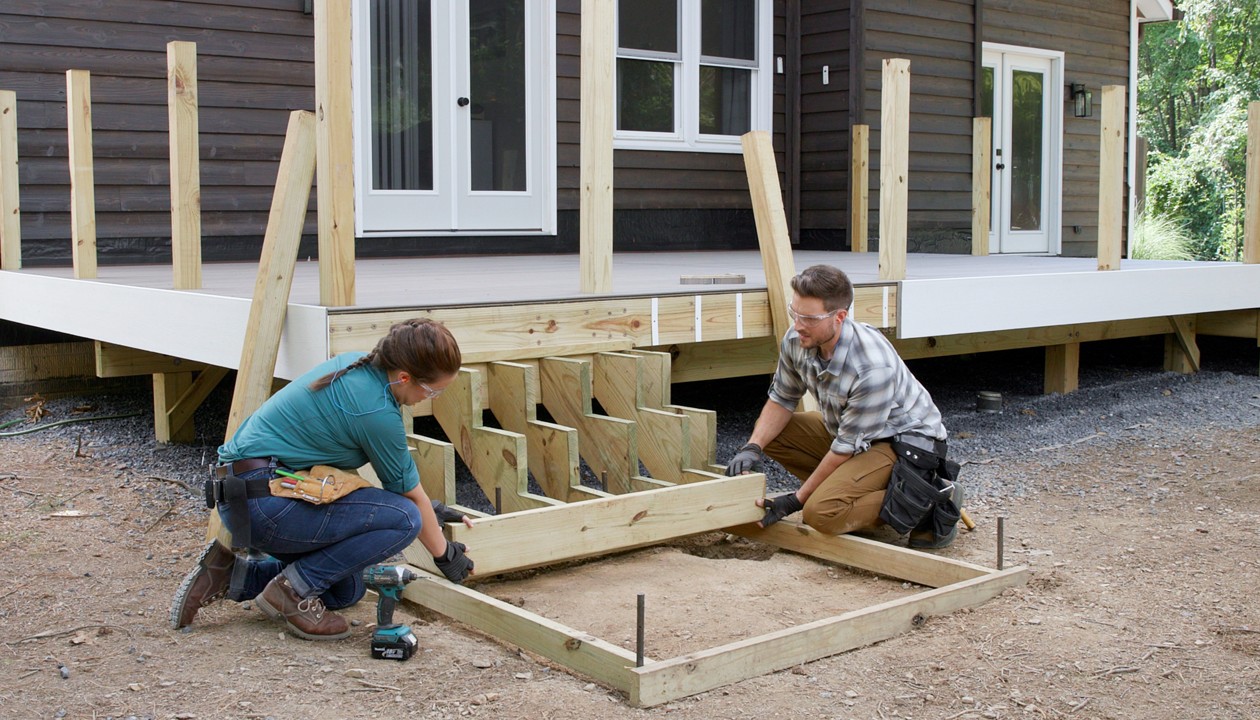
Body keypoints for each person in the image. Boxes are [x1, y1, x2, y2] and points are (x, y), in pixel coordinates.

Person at [170, 318, 475, 640]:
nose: (434, 398)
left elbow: (354, 480)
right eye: (433, 390)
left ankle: (233, 574)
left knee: (345, 591)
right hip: (265, 504)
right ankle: (293, 593)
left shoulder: (357, 368)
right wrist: (446, 556)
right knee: (404, 519)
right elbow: (409, 501)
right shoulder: (375, 413)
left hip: (248, 497)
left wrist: (433, 509)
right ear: (404, 377)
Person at [725, 264, 963, 549]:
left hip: (904, 445)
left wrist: (795, 500)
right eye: (795, 313)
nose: (798, 324)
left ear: (839, 317)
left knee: (821, 513)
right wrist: (752, 447)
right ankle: (850, 492)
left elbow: (843, 449)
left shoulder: (872, 367)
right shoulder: (798, 339)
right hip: (851, 435)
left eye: (809, 318)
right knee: (774, 435)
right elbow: (782, 398)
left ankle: (927, 499)